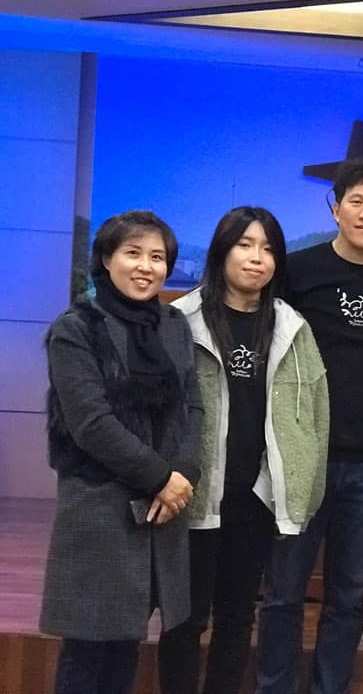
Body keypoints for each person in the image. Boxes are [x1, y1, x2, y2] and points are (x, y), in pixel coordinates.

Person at [256, 160, 363, 694]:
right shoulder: (297, 271)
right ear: (335, 208)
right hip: (300, 457)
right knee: (283, 593)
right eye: (356, 201)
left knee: (348, 598)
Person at [156, 206, 330, 693]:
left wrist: (303, 491)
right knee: (184, 620)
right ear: (222, 251)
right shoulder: (180, 320)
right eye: (245, 245)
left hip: (255, 497)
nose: (257, 258)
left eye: (269, 249)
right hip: (192, 494)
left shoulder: (291, 325)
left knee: (237, 619)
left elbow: (316, 412)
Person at [40, 210, 202, 694]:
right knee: (87, 648)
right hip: (99, 506)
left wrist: (182, 474)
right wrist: (160, 478)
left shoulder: (173, 325)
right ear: (107, 259)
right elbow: (91, 423)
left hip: (157, 510)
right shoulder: (76, 328)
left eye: (157, 257)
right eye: (133, 253)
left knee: (128, 642)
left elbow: (192, 406)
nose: (146, 267)